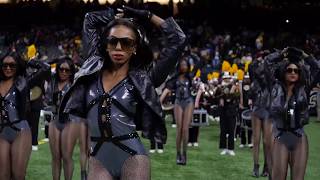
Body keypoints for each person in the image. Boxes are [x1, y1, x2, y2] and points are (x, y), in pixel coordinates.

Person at [59, 6, 185, 180]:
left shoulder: (145, 78)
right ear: (106, 44)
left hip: (133, 157)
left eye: (126, 42)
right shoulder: (92, 67)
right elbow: (90, 19)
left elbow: (178, 39)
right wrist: (115, 14)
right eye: (113, 41)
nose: (118, 47)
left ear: (135, 47)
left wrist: (147, 15)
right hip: (98, 159)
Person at [268, 47, 320, 180]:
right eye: (289, 70)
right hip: (280, 136)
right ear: (283, 72)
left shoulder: (304, 88)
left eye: (296, 71)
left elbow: (317, 68)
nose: (293, 73)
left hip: (299, 136)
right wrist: (281, 54)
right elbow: (266, 64)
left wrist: (303, 55)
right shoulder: (274, 86)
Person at [44, 57, 85, 180]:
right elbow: (47, 102)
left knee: (67, 156)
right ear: (57, 70)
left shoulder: (76, 84)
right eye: (61, 69)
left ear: (72, 72)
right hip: (54, 120)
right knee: (55, 157)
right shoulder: (52, 83)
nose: (64, 72)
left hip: (71, 121)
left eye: (67, 70)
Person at [0, 51, 31, 180]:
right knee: (3, 176)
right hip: (1, 132)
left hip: (20, 131)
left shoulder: (22, 82)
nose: (8, 68)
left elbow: (45, 68)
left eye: (12, 65)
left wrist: (30, 60)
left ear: (17, 66)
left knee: (18, 175)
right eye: (5, 65)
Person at [160, 58, 194, 165]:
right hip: (178, 102)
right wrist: (159, 101)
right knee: (179, 129)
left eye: (185, 65)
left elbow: (196, 88)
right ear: (179, 66)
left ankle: (185, 154)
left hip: (189, 102)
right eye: (182, 65)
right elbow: (167, 89)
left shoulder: (190, 77)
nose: (184, 66)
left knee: (185, 129)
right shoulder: (175, 78)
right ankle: (178, 154)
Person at [249, 53, 273, 177]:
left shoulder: (270, 80)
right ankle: (255, 166)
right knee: (256, 140)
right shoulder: (255, 79)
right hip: (257, 110)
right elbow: (251, 68)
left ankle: (267, 167)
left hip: (268, 111)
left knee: (267, 141)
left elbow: (268, 72)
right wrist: (258, 58)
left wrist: (267, 60)